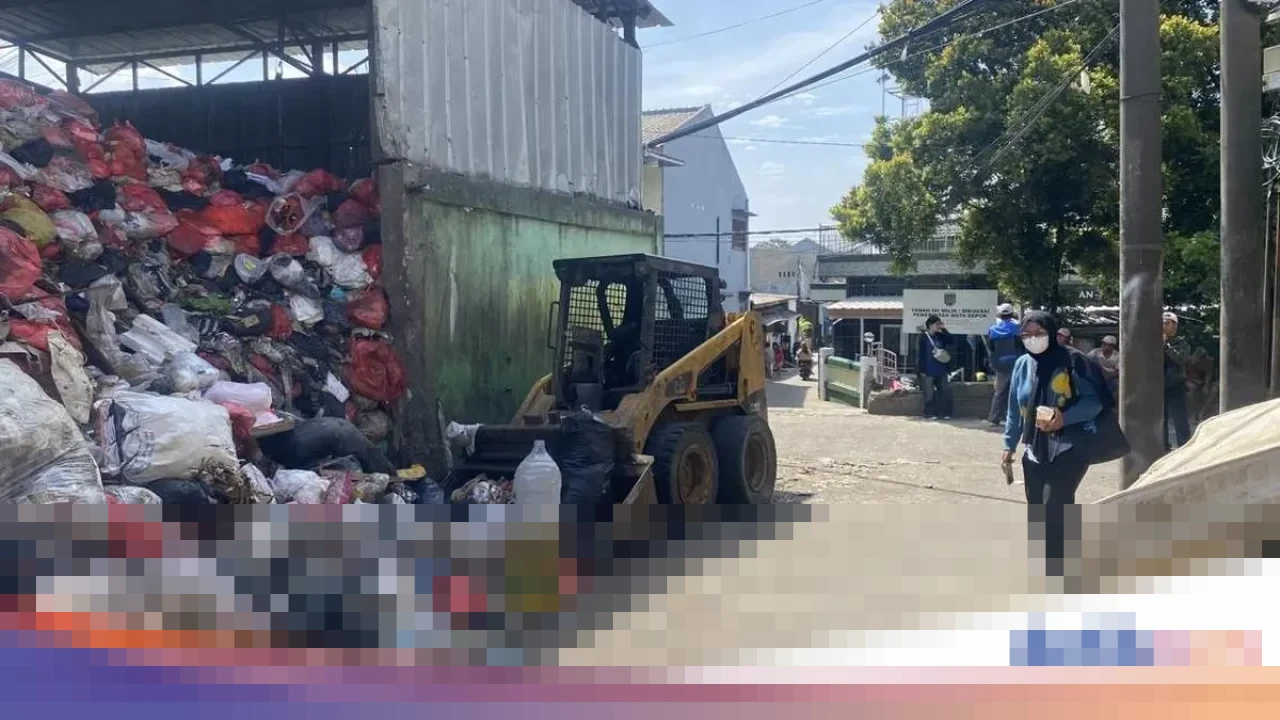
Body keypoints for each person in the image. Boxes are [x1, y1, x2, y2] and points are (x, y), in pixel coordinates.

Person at [1000, 311, 1103, 576]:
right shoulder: (1023, 364)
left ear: (1052, 333)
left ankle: (1059, 571)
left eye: (1039, 334)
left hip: (1069, 448)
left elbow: (1094, 402)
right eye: (1027, 335)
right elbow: (1014, 406)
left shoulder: (1072, 362)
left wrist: (1064, 417)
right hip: (1034, 449)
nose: (1033, 339)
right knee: (1037, 508)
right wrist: (1009, 444)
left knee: (1055, 504)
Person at [985, 303, 1023, 426]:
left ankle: (994, 418)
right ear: (1012, 314)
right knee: (1016, 392)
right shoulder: (1018, 328)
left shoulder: (993, 329)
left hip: (1000, 365)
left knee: (999, 392)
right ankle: (1014, 418)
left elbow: (991, 347)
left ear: (1000, 315)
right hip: (1016, 363)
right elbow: (1023, 345)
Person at [1163, 312, 1192, 449]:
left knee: (1179, 419)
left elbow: (1181, 359)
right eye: (1163, 322)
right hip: (1159, 385)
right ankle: (1163, 445)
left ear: (1175, 326)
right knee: (1161, 419)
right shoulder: (1156, 342)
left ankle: (1184, 446)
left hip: (1175, 384)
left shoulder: (1182, 343)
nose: (1164, 325)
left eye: (1167, 323)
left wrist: (1166, 347)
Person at [917, 315, 954, 419]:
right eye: (936, 324)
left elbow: (951, 340)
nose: (938, 326)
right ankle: (929, 413)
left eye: (939, 324)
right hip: (928, 370)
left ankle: (945, 413)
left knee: (944, 391)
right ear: (930, 325)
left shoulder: (941, 336)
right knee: (929, 393)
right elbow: (920, 354)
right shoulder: (923, 337)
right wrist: (921, 369)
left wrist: (943, 329)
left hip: (941, 369)